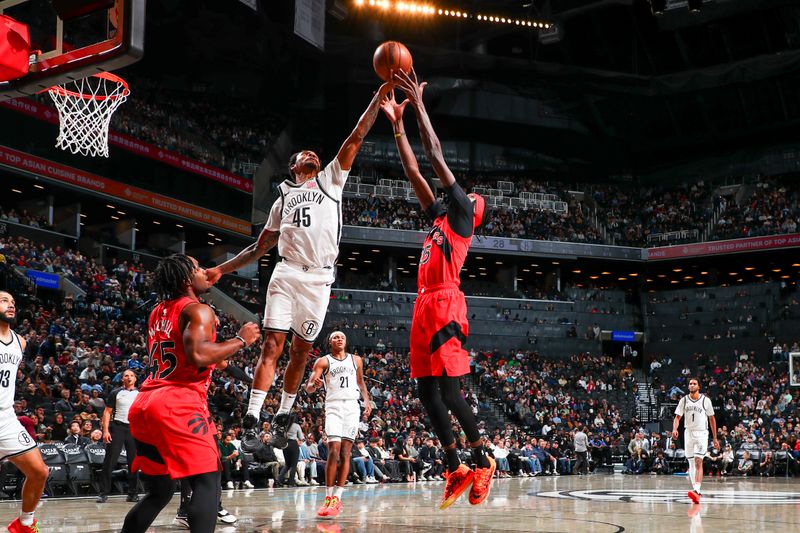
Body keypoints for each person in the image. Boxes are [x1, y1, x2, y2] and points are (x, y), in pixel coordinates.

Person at [205, 82, 391, 453]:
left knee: (301, 352)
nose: (311, 156)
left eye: (313, 154)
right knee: (272, 343)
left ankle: (283, 415)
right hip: (287, 273)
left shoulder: (331, 180)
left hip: (320, 277)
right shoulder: (281, 200)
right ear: (292, 167)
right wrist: (221, 270)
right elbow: (260, 247)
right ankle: (252, 416)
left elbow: (356, 136)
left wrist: (378, 93)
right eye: (303, 155)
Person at [382, 70, 494, 510]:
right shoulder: (436, 220)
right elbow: (412, 168)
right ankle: (455, 466)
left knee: (449, 392)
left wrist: (420, 106)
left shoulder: (462, 215)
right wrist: (396, 123)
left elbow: (432, 154)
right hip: (424, 305)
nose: (461, 193)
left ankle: (483, 460)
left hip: (447, 301)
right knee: (425, 393)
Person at [121, 255, 261, 533]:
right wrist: (241, 339)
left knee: (159, 492)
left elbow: (197, 354)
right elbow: (198, 354)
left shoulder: (158, 310)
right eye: (198, 268)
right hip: (177, 403)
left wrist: (232, 366)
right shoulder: (199, 310)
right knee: (208, 482)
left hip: (145, 403)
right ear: (187, 279)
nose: (205, 271)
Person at [305, 331, 371, 518]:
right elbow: (309, 387)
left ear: (346, 340)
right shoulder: (323, 361)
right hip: (333, 407)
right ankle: (328, 497)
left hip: (351, 407)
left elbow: (360, 382)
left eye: (342, 336)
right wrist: (315, 385)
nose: (339, 338)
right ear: (330, 342)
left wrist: (366, 401)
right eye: (335, 337)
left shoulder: (356, 360)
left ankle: (337, 498)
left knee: (345, 453)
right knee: (333, 450)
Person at [0, 292, 50, 533]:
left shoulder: (20, 341)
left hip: (6, 418)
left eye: (12, 302)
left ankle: (25, 523)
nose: (10, 305)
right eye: (3, 300)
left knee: (39, 471)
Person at [672, 377, 719, 504]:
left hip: (702, 433)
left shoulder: (705, 400)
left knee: (699, 461)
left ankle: (697, 490)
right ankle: (695, 491)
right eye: (690, 384)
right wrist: (675, 429)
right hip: (688, 433)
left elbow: (712, 419)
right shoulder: (684, 400)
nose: (692, 385)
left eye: (694, 384)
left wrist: (714, 438)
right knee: (691, 463)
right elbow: (677, 417)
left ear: (699, 387)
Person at [97, 369, 139, 503]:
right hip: (118, 427)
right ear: (122, 379)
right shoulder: (116, 392)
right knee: (110, 460)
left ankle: (133, 493)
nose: (129, 377)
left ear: (135, 379)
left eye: (131, 375)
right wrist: (105, 431)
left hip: (133, 428)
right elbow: (107, 412)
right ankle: (103, 493)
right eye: (126, 375)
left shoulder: (140, 394)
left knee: (134, 462)